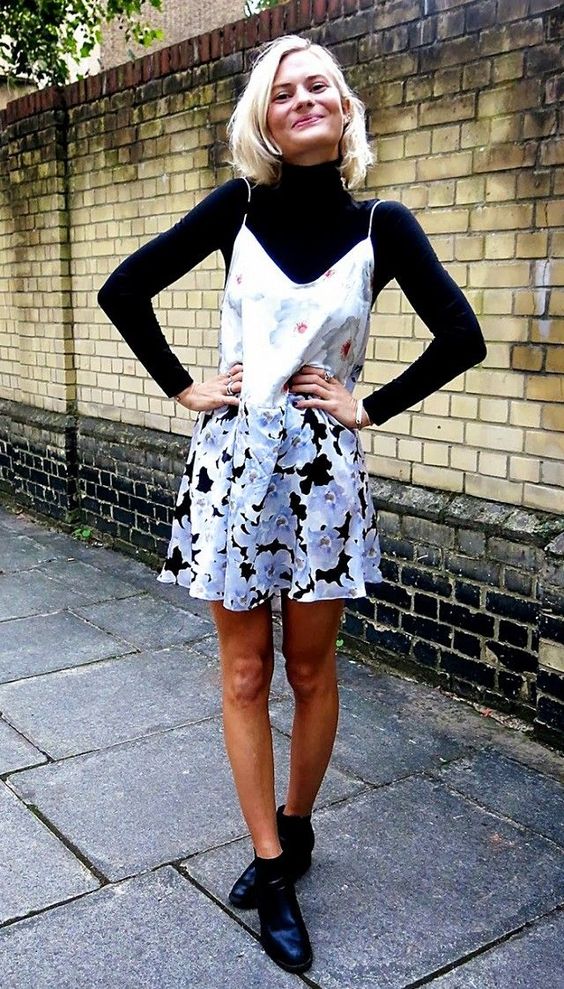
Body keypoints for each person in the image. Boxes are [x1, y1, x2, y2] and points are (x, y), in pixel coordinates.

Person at [97, 34, 486, 975]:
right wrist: (185, 386)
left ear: (345, 108)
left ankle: (297, 825)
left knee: (310, 671)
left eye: (320, 85)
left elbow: (461, 337)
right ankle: (272, 867)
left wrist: (368, 406)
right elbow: (124, 289)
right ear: (264, 122)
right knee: (245, 673)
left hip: (323, 479)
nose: (304, 98)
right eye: (283, 92)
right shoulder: (237, 206)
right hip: (232, 468)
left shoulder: (385, 225)